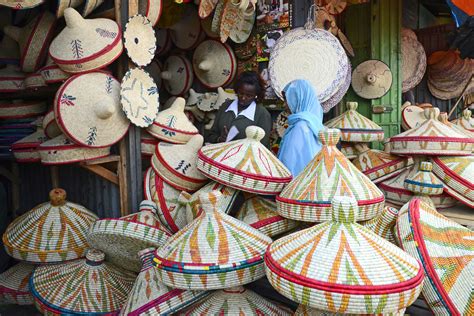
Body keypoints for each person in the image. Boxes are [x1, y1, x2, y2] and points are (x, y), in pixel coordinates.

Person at [206, 71, 272, 147]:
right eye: (241, 93)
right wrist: (219, 139)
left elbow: (263, 146)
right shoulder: (225, 106)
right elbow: (211, 135)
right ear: (237, 90)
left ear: (256, 95)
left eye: (249, 95)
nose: (243, 98)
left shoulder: (262, 114)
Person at [277, 79, 324, 177]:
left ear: (298, 99)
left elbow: (288, 161)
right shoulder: (314, 122)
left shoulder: (300, 126)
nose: (284, 104)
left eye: (287, 99)